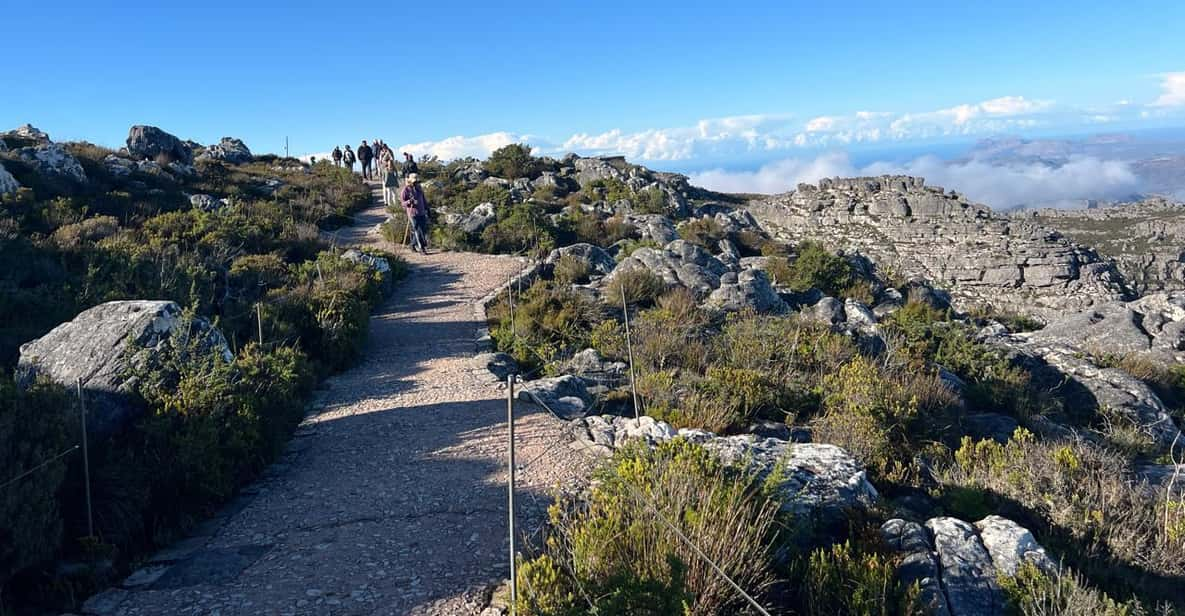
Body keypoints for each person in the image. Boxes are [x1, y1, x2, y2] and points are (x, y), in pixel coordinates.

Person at [400, 173, 429, 253]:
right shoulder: (405, 190)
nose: (416, 183)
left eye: (417, 181)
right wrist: (409, 201)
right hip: (412, 213)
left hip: (422, 212)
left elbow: (423, 199)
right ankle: (422, 248)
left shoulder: (419, 188)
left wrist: (427, 208)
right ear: (410, 181)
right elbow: (402, 203)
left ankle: (412, 245)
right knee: (418, 230)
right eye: (414, 182)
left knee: (423, 230)